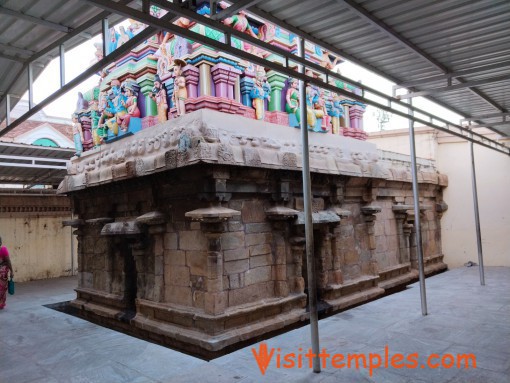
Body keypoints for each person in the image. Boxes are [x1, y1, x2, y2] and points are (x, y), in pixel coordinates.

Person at [0, 236, 14, 309]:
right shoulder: (3, 249)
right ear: (1, 242)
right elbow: (8, 261)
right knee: (2, 288)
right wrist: (12, 271)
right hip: (2, 275)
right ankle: (1, 303)